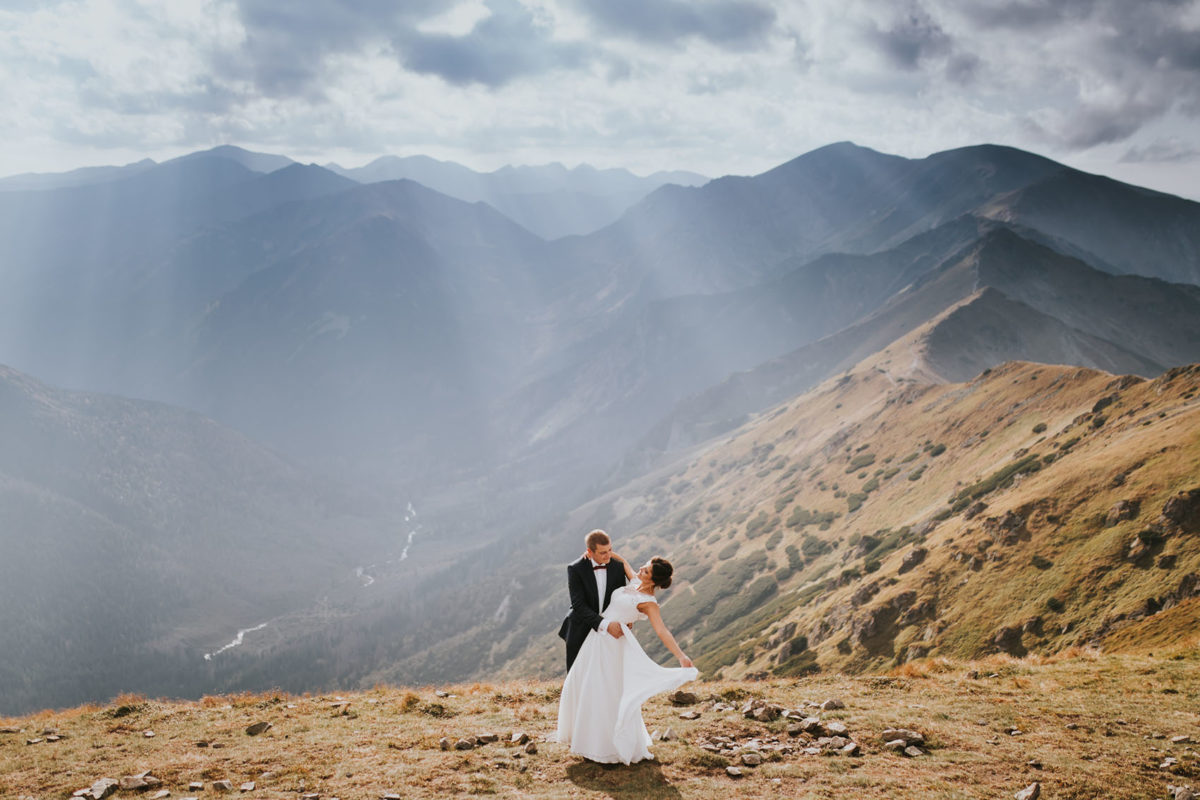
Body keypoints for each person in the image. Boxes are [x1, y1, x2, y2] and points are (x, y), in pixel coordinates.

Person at [555, 550, 698, 764]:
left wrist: (681, 656)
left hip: (613, 647)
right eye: (645, 565)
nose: (641, 569)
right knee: (586, 687)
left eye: (646, 570)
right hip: (597, 640)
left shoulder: (649, 603)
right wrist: (598, 552)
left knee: (606, 694)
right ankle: (586, 740)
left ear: (653, 580)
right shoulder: (635, 580)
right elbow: (623, 562)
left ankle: (606, 748)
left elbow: (662, 631)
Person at [558, 529, 629, 672]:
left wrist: (626, 618)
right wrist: (605, 625)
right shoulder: (575, 568)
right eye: (603, 552)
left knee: (605, 671)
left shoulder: (617, 567)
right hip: (580, 627)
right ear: (590, 552)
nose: (608, 555)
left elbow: (620, 597)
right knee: (577, 673)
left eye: (610, 550)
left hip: (609, 631)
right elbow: (578, 604)